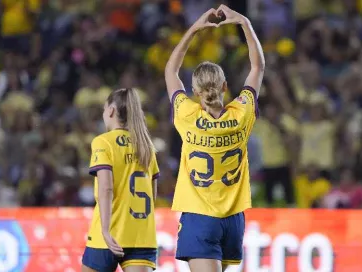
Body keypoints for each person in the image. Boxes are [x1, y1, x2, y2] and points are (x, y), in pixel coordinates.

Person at [165, 5, 264, 272]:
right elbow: (257, 66)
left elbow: (171, 72)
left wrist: (195, 28)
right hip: (232, 217)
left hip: (199, 216)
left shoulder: (187, 115)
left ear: (195, 91)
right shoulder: (242, 113)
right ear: (224, 86)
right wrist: (243, 21)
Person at [82, 88, 160, 272]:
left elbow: (106, 188)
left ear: (111, 111)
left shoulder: (103, 142)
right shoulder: (146, 145)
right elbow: (153, 194)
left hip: (110, 234)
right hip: (142, 235)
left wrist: (106, 231)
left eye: (103, 109)